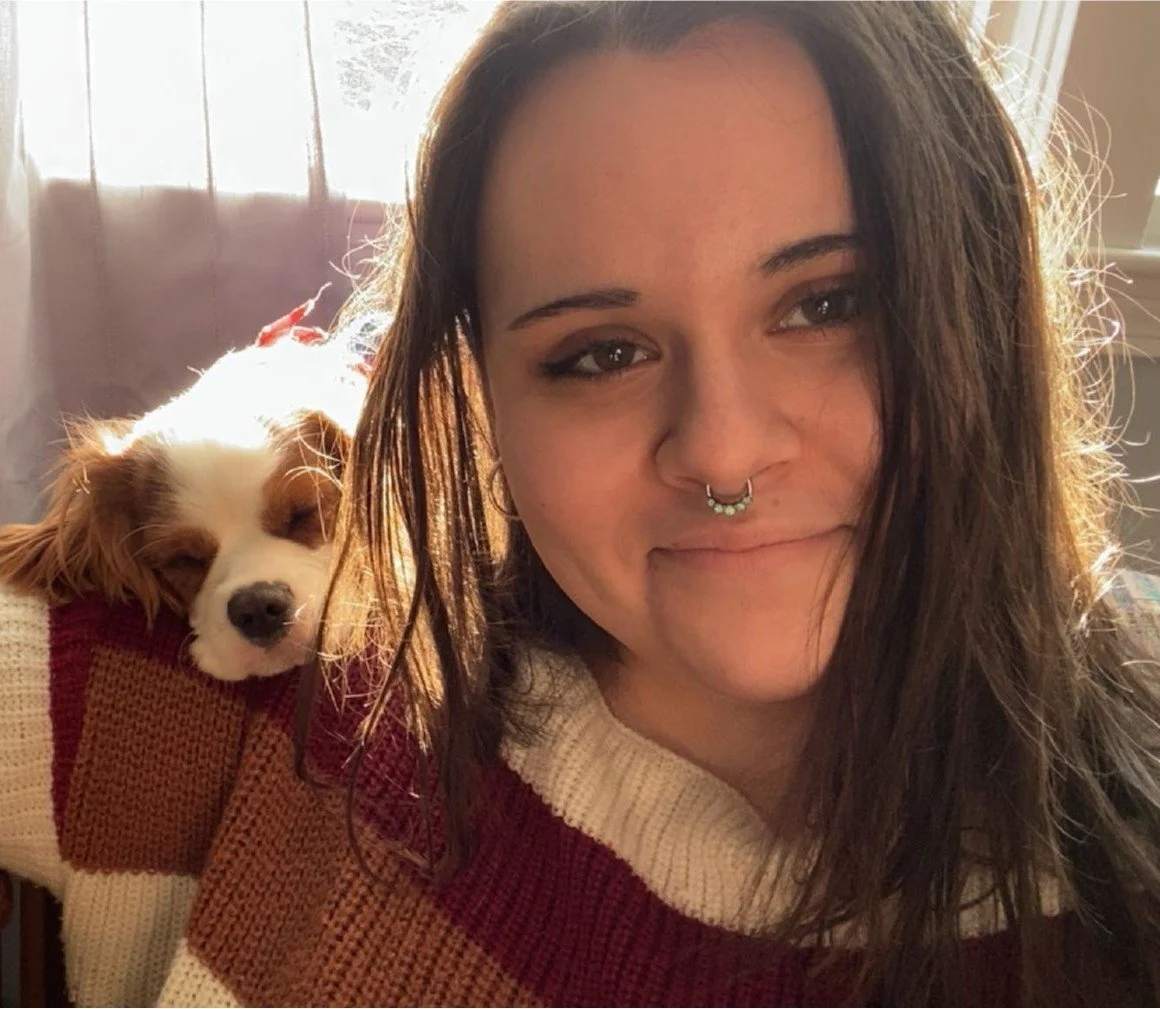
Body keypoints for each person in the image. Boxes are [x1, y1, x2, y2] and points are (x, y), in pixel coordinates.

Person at [2, 1, 1159, 1004]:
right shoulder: (295, 698)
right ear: (476, 392)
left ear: (988, 311)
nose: (721, 451)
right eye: (598, 352)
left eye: (828, 303)